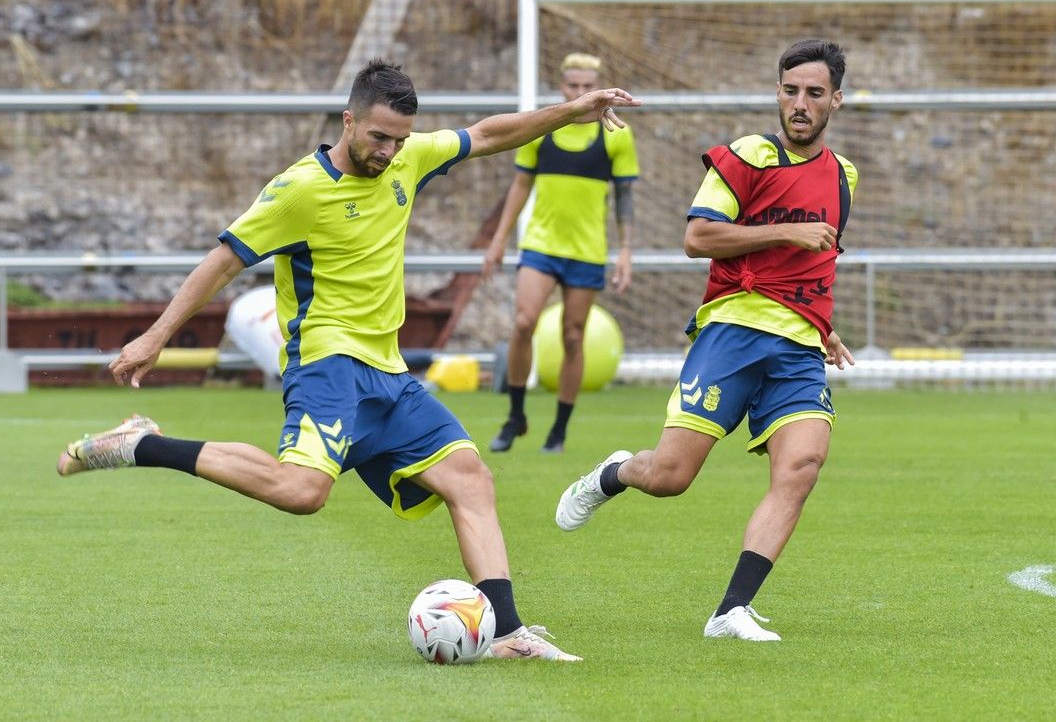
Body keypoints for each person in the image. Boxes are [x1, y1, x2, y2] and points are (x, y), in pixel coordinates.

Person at [56, 58, 639, 661]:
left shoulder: (408, 159)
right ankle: (141, 443)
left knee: (471, 479)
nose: (389, 151)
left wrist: (569, 112)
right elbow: (224, 260)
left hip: (388, 373)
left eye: (400, 140)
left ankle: (509, 633)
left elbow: (488, 135)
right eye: (379, 137)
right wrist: (156, 337)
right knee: (302, 491)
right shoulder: (298, 190)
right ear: (349, 121)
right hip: (326, 365)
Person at [554, 39, 857, 642]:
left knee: (801, 465)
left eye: (814, 94)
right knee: (669, 477)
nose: (800, 104)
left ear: (836, 101)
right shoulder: (748, 155)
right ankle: (614, 473)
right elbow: (698, 238)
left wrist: (824, 326)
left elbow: (812, 266)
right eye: (791, 90)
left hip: (796, 347)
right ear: (778, 93)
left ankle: (731, 611)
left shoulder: (844, 176)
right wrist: (791, 233)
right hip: (732, 335)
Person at [482, 52, 640, 454]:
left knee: (573, 336)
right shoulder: (541, 129)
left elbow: (624, 197)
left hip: (586, 251)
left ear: (599, 89)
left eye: (589, 86)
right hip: (540, 245)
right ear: (562, 88)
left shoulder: (617, 134)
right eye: (574, 86)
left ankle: (559, 430)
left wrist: (625, 251)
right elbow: (519, 185)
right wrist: (500, 239)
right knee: (523, 322)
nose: (581, 93)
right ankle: (515, 416)